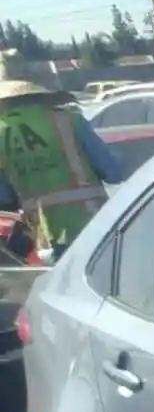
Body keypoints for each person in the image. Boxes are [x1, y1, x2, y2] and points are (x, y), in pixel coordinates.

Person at [0, 49, 124, 260]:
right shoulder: (68, 120)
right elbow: (114, 172)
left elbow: (5, 198)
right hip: (96, 229)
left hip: (46, 242)